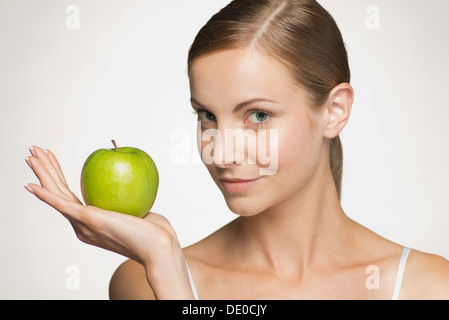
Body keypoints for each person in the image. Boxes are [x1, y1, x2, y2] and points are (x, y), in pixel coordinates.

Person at [24, 0, 449, 300]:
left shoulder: (426, 287)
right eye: (207, 115)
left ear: (334, 111)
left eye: (258, 116)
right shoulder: (142, 280)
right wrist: (168, 271)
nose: (221, 153)